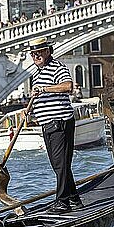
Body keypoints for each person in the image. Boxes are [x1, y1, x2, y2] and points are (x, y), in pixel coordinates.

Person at [29, 37, 82, 213]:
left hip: (60, 122)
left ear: (47, 51)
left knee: (60, 165)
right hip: (47, 124)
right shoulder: (37, 73)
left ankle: (62, 202)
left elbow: (68, 86)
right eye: (33, 54)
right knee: (59, 165)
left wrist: (44, 89)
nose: (36, 56)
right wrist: (30, 111)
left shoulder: (57, 68)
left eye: (39, 52)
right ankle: (74, 198)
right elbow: (40, 97)